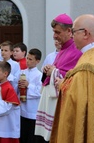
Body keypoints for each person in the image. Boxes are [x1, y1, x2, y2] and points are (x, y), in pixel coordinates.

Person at [50, 14, 94, 143]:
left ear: (85, 33)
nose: (72, 36)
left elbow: (79, 99)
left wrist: (62, 84)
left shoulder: (87, 65)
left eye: (74, 32)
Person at [35, 13, 82, 143]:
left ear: (69, 31)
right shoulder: (63, 49)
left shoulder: (76, 50)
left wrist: (54, 71)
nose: (54, 36)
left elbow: (75, 77)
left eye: (57, 32)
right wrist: (48, 70)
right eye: (53, 32)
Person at [19, 48, 42, 143]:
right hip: (22, 109)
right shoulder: (22, 72)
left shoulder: (40, 75)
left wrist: (28, 85)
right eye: (27, 58)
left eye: (30, 59)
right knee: (22, 136)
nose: (27, 61)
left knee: (31, 137)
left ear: (37, 61)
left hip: (32, 110)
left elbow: (39, 92)